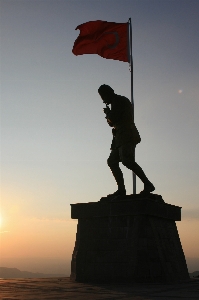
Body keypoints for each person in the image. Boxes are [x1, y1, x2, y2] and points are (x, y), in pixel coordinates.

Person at [98, 84, 155, 197]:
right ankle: (121, 190)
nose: (103, 100)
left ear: (108, 93)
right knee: (112, 161)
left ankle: (148, 184)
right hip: (119, 136)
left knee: (127, 161)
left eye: (103, 97)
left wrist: (108, 113)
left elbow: (114, 118)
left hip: (127, 134)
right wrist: (109, 115)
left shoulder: (119, 100)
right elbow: (112, 123)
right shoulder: (115, 102)